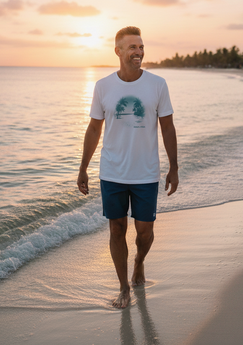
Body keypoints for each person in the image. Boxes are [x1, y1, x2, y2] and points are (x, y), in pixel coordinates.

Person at [77, 26, 179, 309]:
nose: (139, 52)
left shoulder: (157, 84)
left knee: (144, 231)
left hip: (145, 172)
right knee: (116, 229)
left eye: (141, 46)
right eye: (132, 47)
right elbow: (94, 128)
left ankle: (139, 262)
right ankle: (124, 287)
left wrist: (174, 167)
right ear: (118, 51)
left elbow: (168, 127)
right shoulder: (103, 86)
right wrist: (83, 167)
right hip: (112, 172)